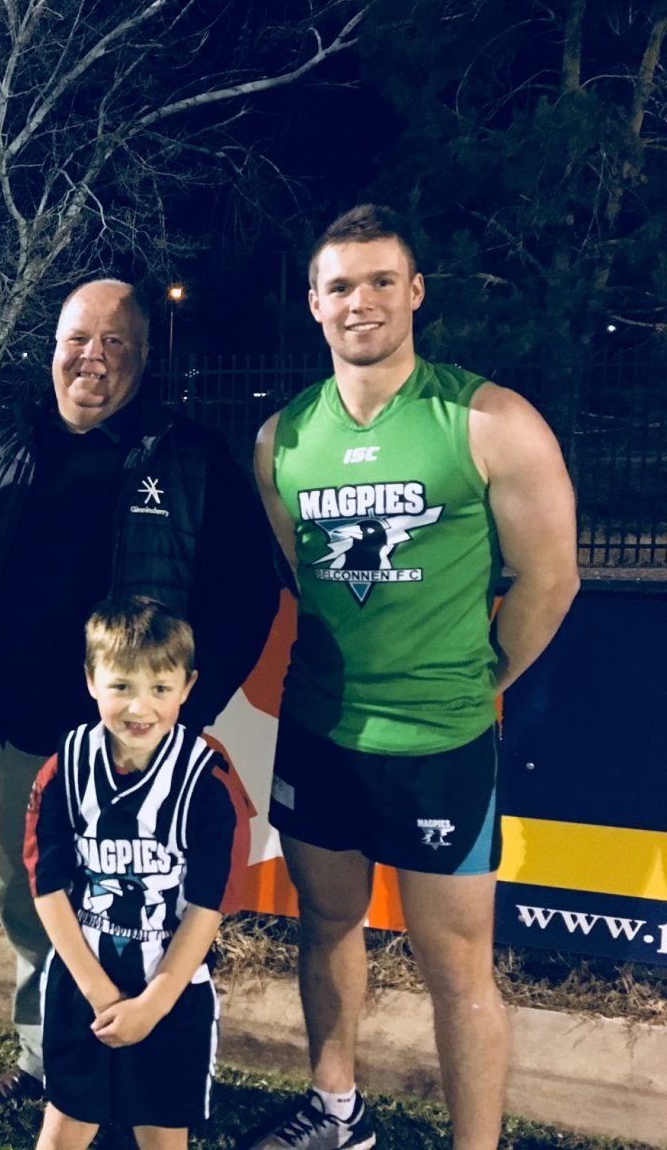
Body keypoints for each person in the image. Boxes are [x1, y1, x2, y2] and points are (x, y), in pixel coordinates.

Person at [249, 204, 579, 1150]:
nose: (362, 301)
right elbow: (302, 571)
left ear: (416, 291)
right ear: (314, 303)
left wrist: (481, 680)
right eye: (341, 286)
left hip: (442, 742)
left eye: (381, 281)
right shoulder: (281, 440)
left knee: (457, 966)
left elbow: (550, 578)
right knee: (326, 922)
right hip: (322, 730)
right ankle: (336, 1110)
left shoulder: (489, 420)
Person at [0, 278, 278, 1105]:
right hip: (28, 739)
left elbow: (248, 596)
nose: (91, 357)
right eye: (76, 339)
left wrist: (180, 714)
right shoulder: (3, 452)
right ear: (53, 350)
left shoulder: (190, 457)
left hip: (141, 753)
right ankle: (45, 1061)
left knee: (144, 912)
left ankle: (147, 1069)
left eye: (114, 341)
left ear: (142, 355)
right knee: (31, 901)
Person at [25, 595, 235, 1150]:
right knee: (65, 1126)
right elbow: (47, 886)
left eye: (160, 688)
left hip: (172, 991)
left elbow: (207, 905)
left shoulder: (206, 783)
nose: (140, 707)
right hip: (82, 985)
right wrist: (99, 992)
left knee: (163, 1133)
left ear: (187, 687)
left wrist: (153, 1004)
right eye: (121, 686)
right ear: (91, 680)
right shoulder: (65, 768)